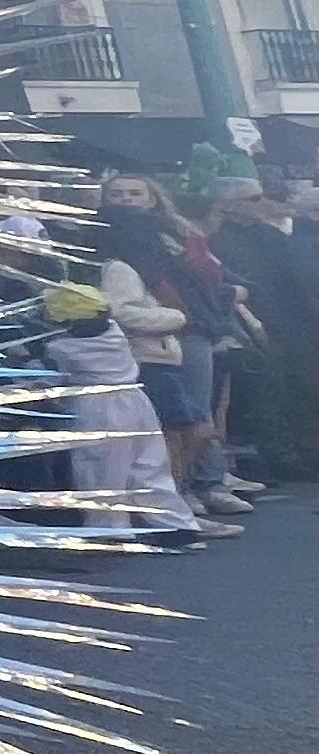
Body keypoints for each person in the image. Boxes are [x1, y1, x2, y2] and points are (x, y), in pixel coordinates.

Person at [93, 171, 231, 521]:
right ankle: (176, 501)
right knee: (175, 426)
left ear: (153, 198)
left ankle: (194, 489)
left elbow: (207, 280)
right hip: (152, 347)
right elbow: (123, 309)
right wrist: (176, 317)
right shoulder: (114, 253)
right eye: (118, 193)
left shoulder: (175, 237)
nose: (125, 200)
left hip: (184, 338)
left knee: (194, 419)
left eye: (134, 192)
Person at [35, 282, 208, 542]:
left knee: (101, 472)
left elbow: (46, 378)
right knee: (150, 467)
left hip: (97, 406)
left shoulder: (61, 348)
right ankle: (176, 524)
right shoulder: (115, 333)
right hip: (136, 401)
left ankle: (110, 528)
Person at [208, 173, 315, 489]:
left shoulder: (271, 235)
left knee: (300, 388)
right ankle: (282, 457)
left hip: (290, 321)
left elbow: (297, 280)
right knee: (270, 389)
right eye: (254, 198)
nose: (263, 202)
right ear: (231, 205)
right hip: (252, 321)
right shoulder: (219, 239)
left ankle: (301, 453)